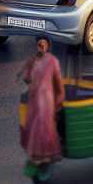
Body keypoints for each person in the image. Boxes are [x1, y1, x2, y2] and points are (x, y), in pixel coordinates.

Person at [19, 38, 65, 175]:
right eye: (39, 44)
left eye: (43, 45)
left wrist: (60, 99)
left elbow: (58, 82)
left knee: (44, 126)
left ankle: (46, 155)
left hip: (46, 98)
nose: (41, 47)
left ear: (48, 47)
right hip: (34, 98)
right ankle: (35, 154)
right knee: (32, 125)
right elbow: (27, 78)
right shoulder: (33, 61)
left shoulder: (52, 61)